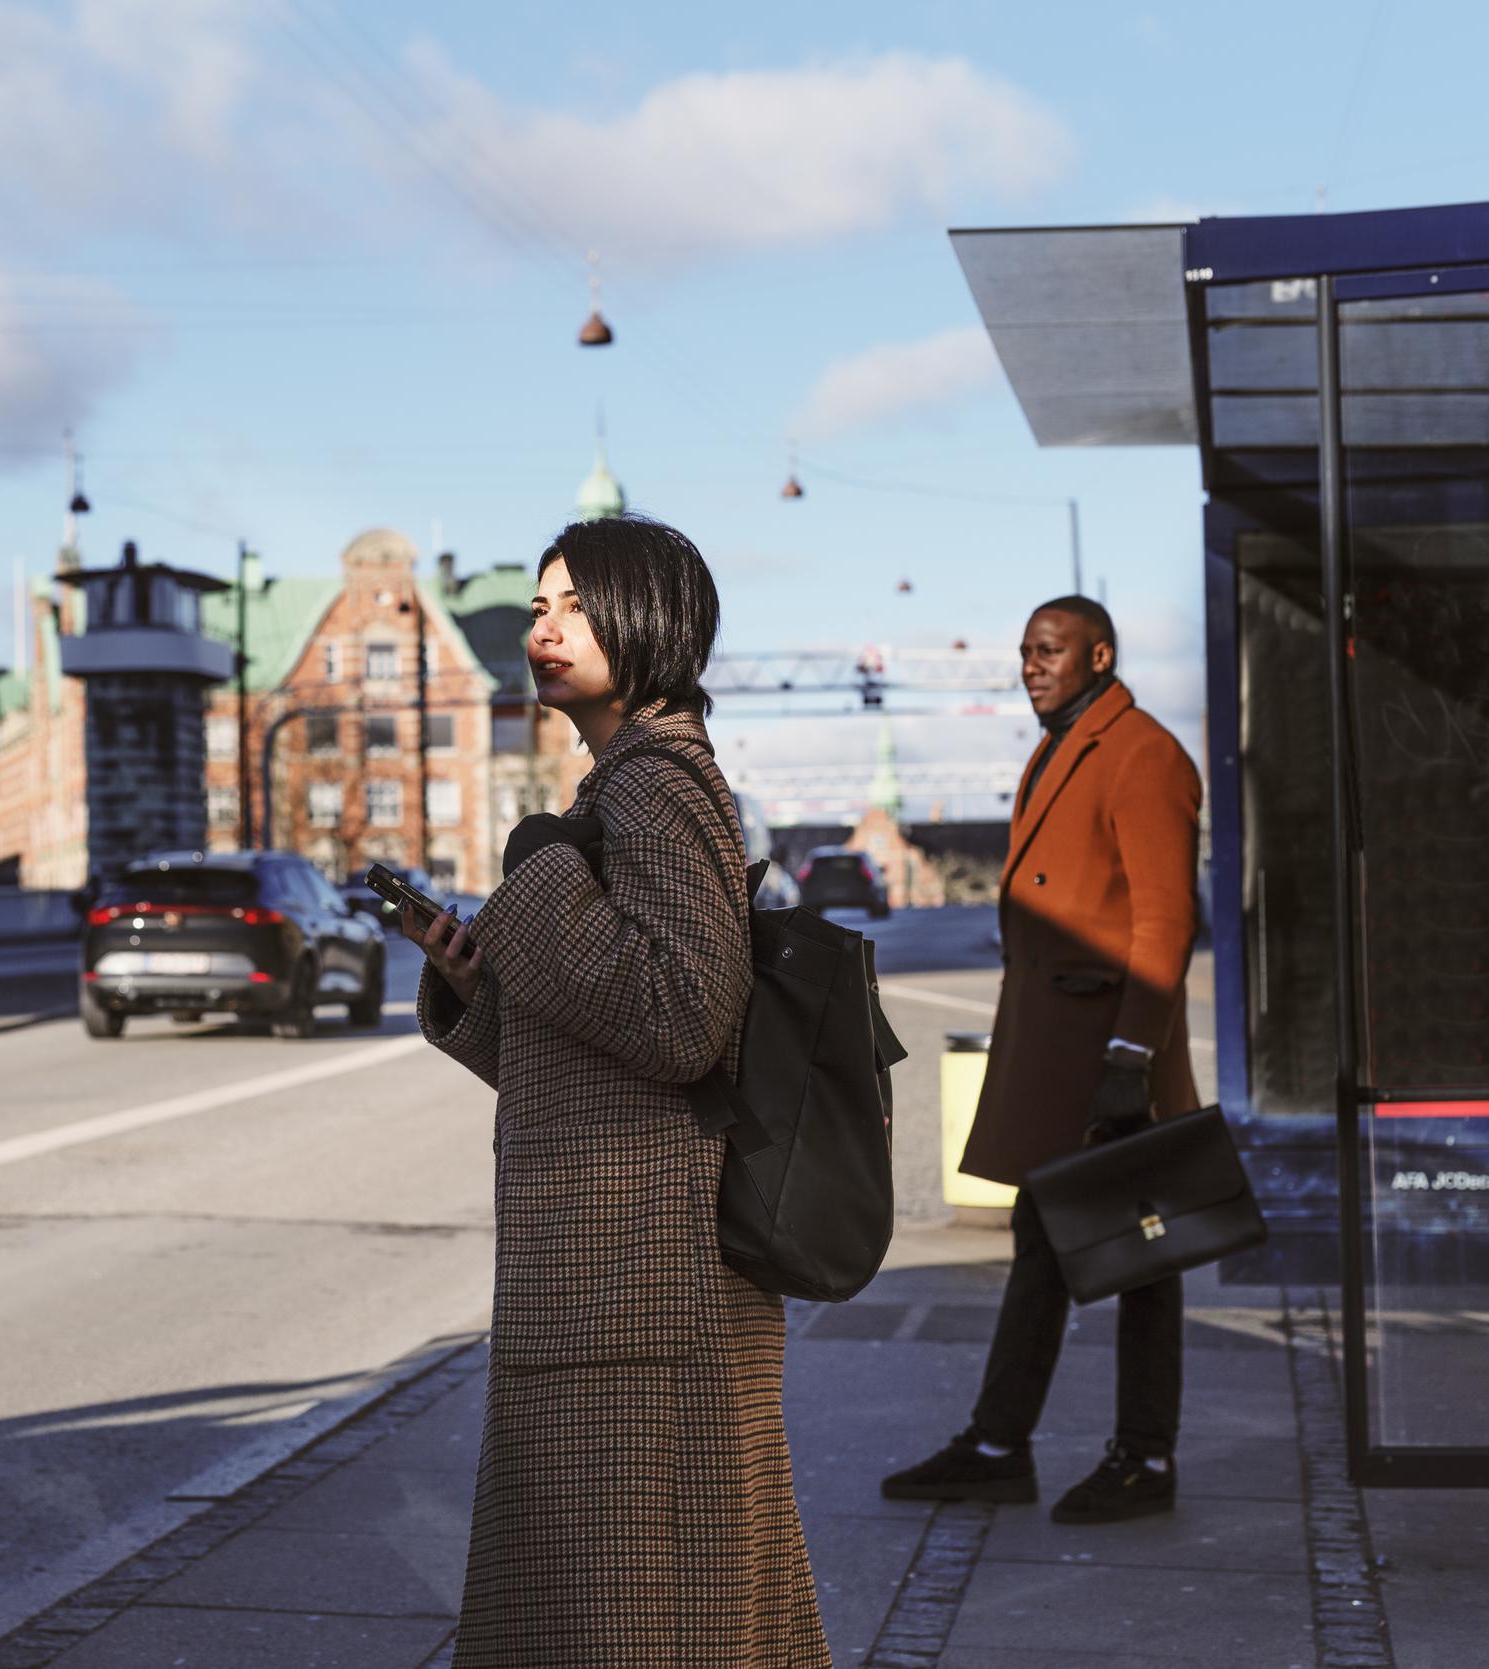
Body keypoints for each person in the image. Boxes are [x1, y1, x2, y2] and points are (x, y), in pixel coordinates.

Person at [404, 515, 828, 1668]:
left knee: (640, 1618)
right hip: (619, 1268)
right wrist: (481, 983)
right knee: (633, 1607)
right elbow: (609, 1045)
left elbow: (685, 1019)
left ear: (648, 618)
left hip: (645, 1280)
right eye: (538, 607)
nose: (542, 628)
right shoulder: (623, 781)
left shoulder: (651, 783)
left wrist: (537, 870)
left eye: (573, 607)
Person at [882, 595, 1203, 1524]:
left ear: (1098, 653)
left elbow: (1166, 918)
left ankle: (1138, 1457)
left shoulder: (1141, 753)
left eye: (1050, 649)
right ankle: (999, 1443)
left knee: (1143, 1256)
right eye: (1024, 650)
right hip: (1059, 1051)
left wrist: (1132, 1052)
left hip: (1107, 1057)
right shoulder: (1062, 745)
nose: (1032, 664)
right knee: (1044, 1242)